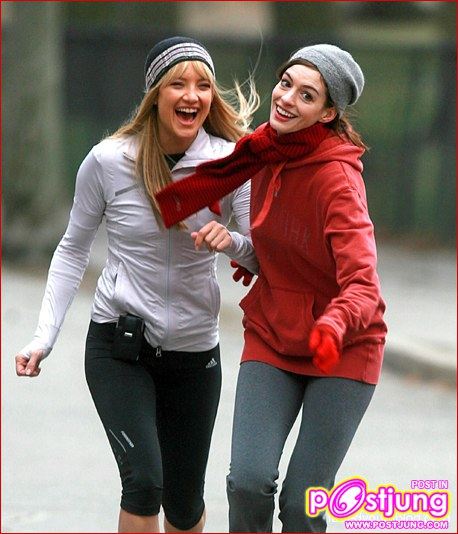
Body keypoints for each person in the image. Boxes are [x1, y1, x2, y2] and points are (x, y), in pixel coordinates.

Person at [15, 36, 259, 533]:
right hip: (120, 345)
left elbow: (261, 256)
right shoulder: (109, 161)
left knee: (184, 504)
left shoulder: (231, 163)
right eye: (178, 84)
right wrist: (43, 336)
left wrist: (231, 241)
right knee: (144, 482)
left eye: (203, 85)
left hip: (194, 351)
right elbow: (72, 249)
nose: (192, 95)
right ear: (155, 94)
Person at [155, 43, 387, 532]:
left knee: (302, 505)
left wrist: (333, 325)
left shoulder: (338, 181)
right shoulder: (264, 148)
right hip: (274, 334)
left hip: (341, 346)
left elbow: (364, 285)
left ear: (327, 113)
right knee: (247, 483)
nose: (286, 99)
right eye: (286, 84)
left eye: (307, 95)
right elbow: (197, 190)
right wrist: (234, 245)